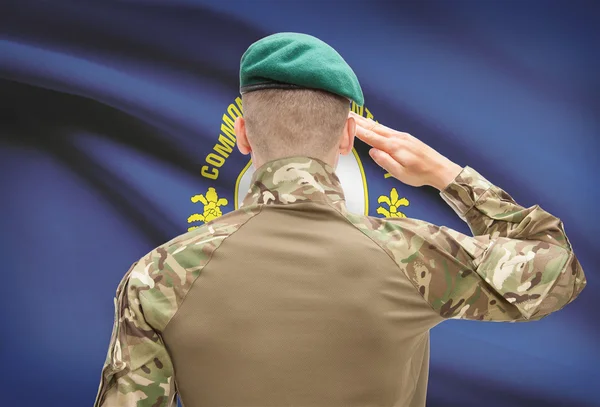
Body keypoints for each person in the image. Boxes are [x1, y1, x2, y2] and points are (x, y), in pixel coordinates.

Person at [94, 32, 587, 407]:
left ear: (242, 135)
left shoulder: (157, 275)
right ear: (349, 136)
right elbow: (558, 269)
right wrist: (448, 176)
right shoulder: (415, 256)